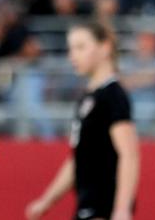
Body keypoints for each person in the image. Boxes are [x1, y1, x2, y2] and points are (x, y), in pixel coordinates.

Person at [26, 22, 140, 220]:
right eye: (71, 48)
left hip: (104, 205)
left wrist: (122, 209)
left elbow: (129, 154)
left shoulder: (112, 96)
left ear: (105, 48)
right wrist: (47, 201)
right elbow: (78, 159)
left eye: (80, 47)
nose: (72, 55)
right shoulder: (88, 98)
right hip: (87, 203)